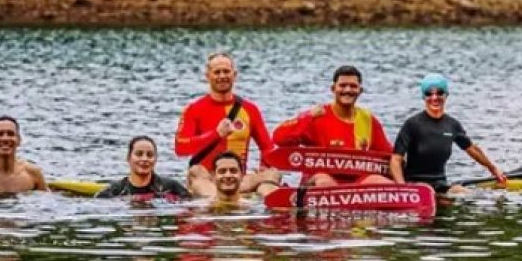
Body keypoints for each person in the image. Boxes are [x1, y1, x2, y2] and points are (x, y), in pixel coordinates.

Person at [174, 52, 280, 197]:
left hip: (239, 180)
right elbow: (180, 147)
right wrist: (216, 134)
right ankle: (217, 201)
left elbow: (268, 149)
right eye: (217, 72)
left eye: (226, 71)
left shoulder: (250, 109)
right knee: (196, 171)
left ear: (234, 75)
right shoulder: (194, 109)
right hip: (208, 180)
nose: (222, 76)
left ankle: (277, 207)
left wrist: (264, 165)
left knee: (273, 173)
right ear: (208, 76)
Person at [273, 65, 393, 186]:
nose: (347, 90)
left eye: (353, 86)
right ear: (333, 88)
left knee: (382, 182)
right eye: (342, 86)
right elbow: (279, 139)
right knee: (324, 181)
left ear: (360, 91)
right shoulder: (316, 116)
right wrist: (307, 117)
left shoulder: (368, 119)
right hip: (319, 180)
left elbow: (388, 156)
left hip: (357, 184)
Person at [391, 73, 507, 193]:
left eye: (439, 93)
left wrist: (493, 169)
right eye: (429, 93)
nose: (434, 97)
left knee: (465, 193)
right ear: (423, 97)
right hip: (416, 186)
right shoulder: (412, 124)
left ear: (446, 95)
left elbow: (472, 149)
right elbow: (395, 160)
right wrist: (402, 188)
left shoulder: (452, 125)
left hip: (440, 184)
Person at [95, 136, 191, 200]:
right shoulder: (114, 191)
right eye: (139, 154)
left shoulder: (171, 187)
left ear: (155, 159)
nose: (145, 159)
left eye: (150, 155)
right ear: (128, 158)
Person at [0, 116, 48, 194]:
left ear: (19, 140)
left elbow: (46, 200)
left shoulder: (32, 174)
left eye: (10, 134)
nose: (5, 138)